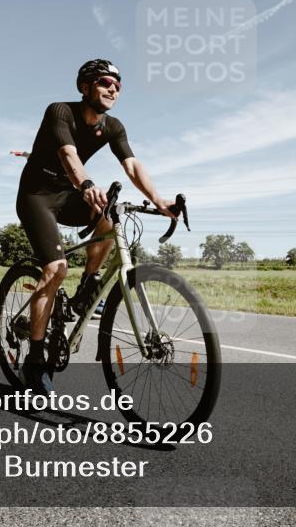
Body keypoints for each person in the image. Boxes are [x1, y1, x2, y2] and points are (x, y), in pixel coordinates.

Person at [15, 59, 176, 394]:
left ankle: (88, 285)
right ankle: (34, 359)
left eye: (118, 85)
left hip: (70, 194)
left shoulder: (113, 126)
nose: (113, 88)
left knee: (110, 212)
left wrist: (159, 201)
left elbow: (132, 165)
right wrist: (87, 183)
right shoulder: (60, 111)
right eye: (105, 82)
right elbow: (67, 155)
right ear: (85, 87)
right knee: (56, 268)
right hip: (37, 197)